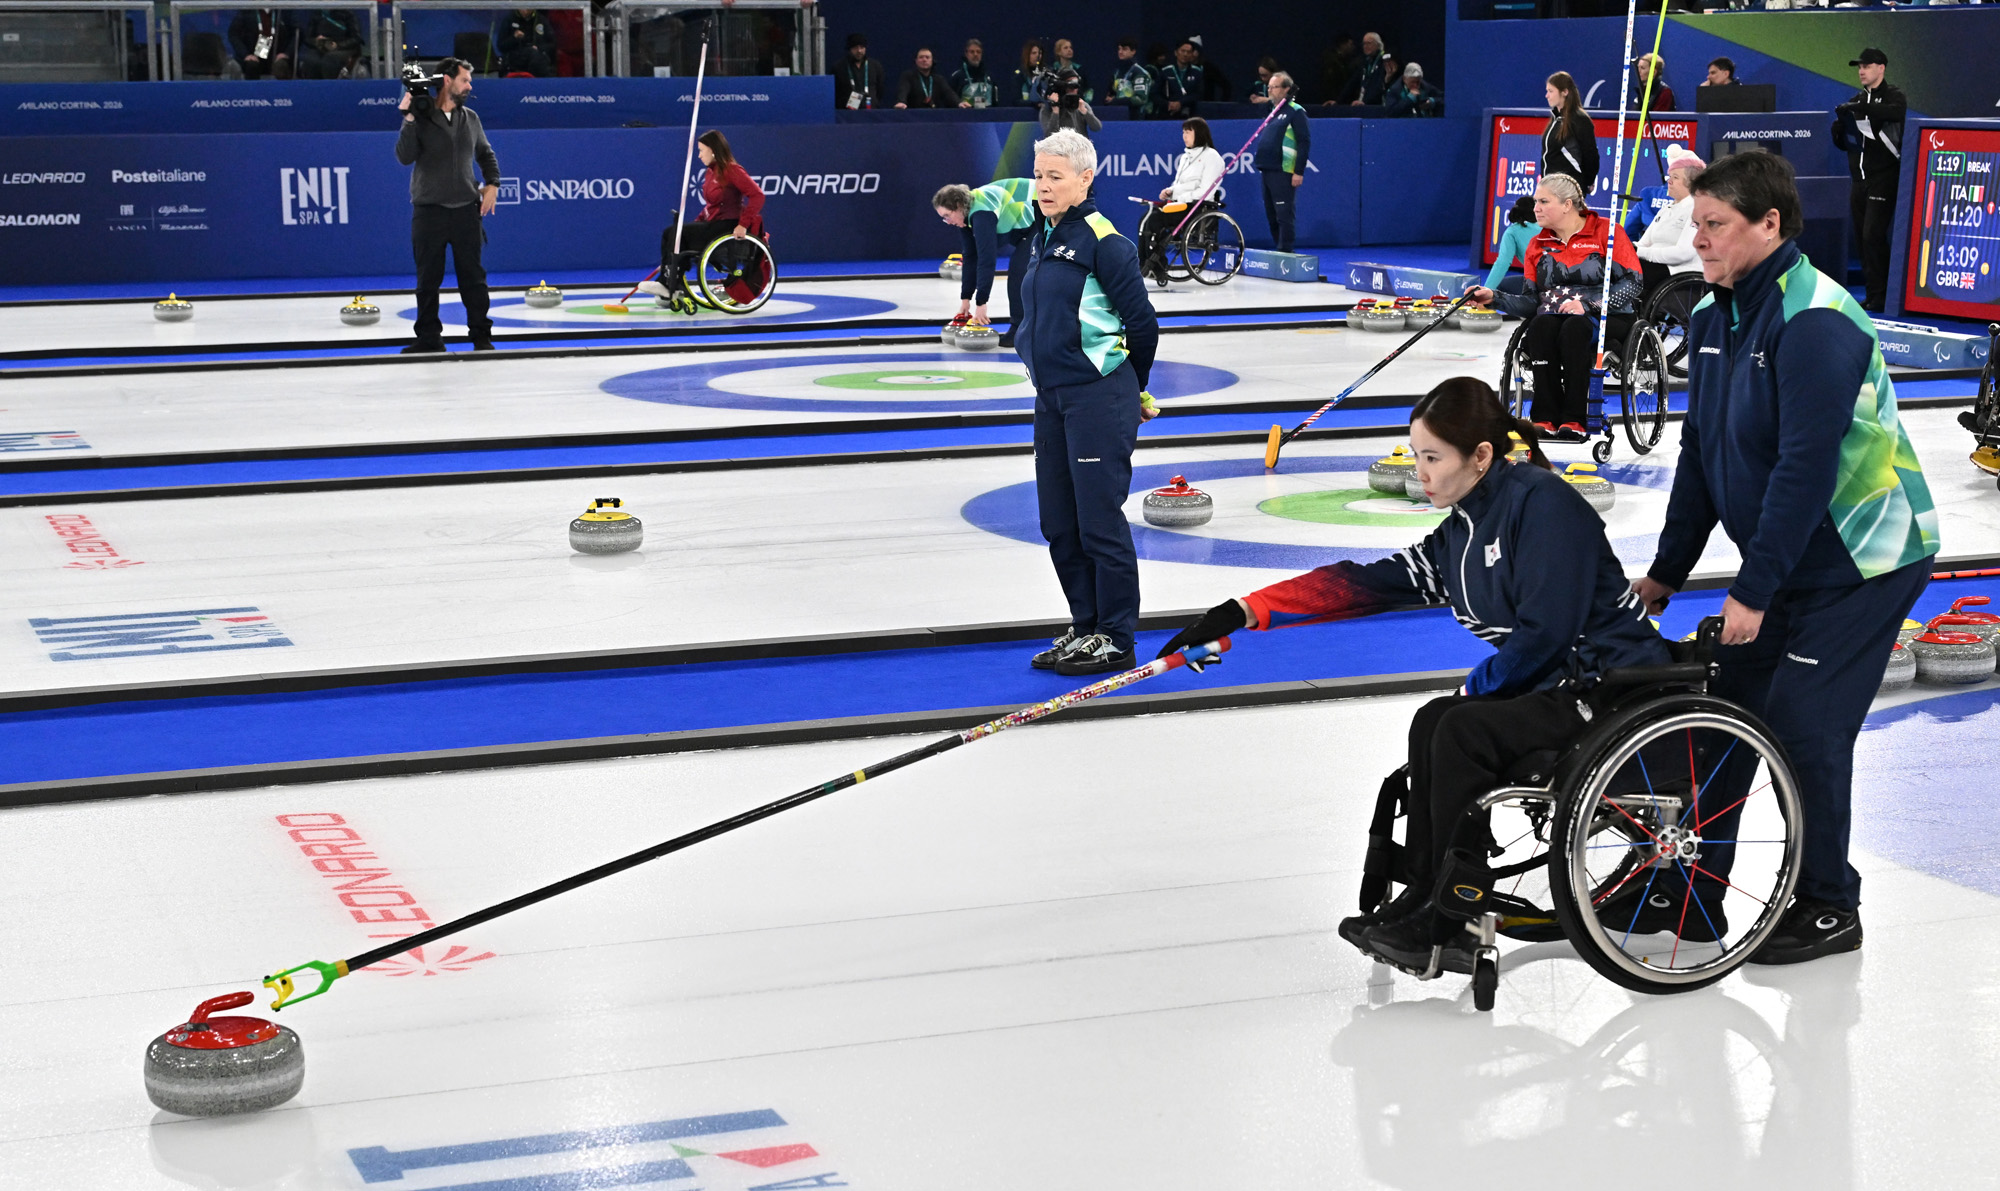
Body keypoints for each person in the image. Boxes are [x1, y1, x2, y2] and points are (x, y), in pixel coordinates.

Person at [1157, 378, 1671, 975]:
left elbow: (1547, 635)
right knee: (1435, 720)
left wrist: (1471, 689)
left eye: (1433, 458)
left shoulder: (1542, 504)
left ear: (1480, 456)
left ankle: (1446, 913)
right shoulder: (1461, 529)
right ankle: (1431, 897)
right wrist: (1243, 611)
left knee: (1459, 727)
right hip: (1559, 687)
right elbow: (1366, 583)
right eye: (1416, 455)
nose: (1419, 472)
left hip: (1615, 687)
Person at [1631, 150, 1938, 965]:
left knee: (1803, 724)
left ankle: (1830, 904)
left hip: (1861, 560)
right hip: (1790, 556)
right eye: (1695, 224)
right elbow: (1699, 455)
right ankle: (1691, 892)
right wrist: (1667, 570)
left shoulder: (1817, 321)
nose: (1698, 241)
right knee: (1722, 716)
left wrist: (1754, 589)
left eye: (1716, 225)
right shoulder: (1709, 318)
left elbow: (1805, 469)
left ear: (1771, 223)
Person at [1018, 129, 1161, 677]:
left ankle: (1116, 638)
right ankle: (1086, 626)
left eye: (1055, 176)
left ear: (1085, 178)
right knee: (1059, 521)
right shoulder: (1043, 235)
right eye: (1039, 175)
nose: (1044, 186)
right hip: (1051, 398)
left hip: (1099, 395)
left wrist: (1132, 387)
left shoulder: (1106, 241)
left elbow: (1142, 325)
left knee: (1099, 520)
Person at [1466, 173, 1642, 441]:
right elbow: (1531, 302)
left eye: (1543, 201)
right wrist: (1495, 297)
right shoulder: (1538, 245)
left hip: (1607, 316)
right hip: (1554, 317)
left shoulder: (1606, 232)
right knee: (1540, 325)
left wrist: (1589, 304)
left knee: (1574, 328)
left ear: (1567, 204)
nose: (1535, 208)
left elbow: (1634, 283)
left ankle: (1574, 416)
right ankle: (1545, 416)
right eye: (1536, 201)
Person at [395, 58, 499, 354]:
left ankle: (481, 336)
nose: (469, 85)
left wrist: (492, 183)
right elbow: (404, 156)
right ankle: (429, 337)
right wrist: (410, 118)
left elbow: (486, 154)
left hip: (466, 210)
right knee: (427, 278)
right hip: (429, 211)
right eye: (465, 80)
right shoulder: (422, 118)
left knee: (474, 278)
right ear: (447, 81)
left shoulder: (471, 118)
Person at [641, 131, 767, 306]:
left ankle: (667, 283)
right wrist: (698, 221)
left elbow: (757, 196)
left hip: (727, 226)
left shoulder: (732, 170)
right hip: (713, 223)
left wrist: (743, 224)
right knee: (672, 234)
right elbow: (711, 206)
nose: (699, 155)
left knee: (676, 233)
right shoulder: (710, 173)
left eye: (701, 150)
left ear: (714, 150)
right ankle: (671, 282)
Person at [1832, 47, 1904, 312]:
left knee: (1873, 235)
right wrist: (1838, 131)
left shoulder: (1893, 96)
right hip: (1858, 180)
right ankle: (1874, 295)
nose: (1861, 71)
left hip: (1884, 178)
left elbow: (1895, 113)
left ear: (1881, 68)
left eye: (1867, 66)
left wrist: (1862, 108)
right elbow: (1848, 144)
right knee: (1863, 239)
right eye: (1859, 67)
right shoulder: (1856, 100)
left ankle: (1885, 295)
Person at [933, 178, 1038, 344]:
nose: (947, 222)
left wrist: (981, 303)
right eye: (943, 218)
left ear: (958, 206)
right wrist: (965, 300)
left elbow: (986, 260)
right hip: (1024, 226)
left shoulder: (981, 213)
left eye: (947, 215)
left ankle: (1019, 331)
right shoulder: (966, 216)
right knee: (1020, 266)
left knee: (1019, 271)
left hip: (1045, 212)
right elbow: (970, 257)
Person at [1137, 117, 1226, 284]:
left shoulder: (1212, 157)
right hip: (1179, 204)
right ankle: (1146, 263)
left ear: (1199, 133)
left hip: (1196, 207)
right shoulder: (1186, 157)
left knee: (1154, 220)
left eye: (1188, 132)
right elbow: (1180, 184)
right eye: (1183, 132)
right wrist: (1170, 192)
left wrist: (1180, 198)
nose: (1184, 136)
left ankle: (1156, 266)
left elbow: (1205, 192)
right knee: (1146, 219)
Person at [1251, 72, 1309, 254]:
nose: (1270, 91)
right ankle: (1279, 248)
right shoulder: (1273, 111)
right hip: (1267, 168)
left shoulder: (1295, 111)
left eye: (1274, 87)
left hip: (1284, 169)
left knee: (1284, 214)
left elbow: (1304, 141)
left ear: (1286, 89)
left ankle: (1286, 251)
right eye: (1268, 87)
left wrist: (1298, 171)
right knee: (1271, 214)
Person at [1635, 151, 1705, 289]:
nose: (1669, 181)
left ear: (1691, 183)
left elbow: (1683, 253)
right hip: (1657, 266)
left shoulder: (1697, 209)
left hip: (1679, 272)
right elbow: (1643, 244)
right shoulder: (1666, 209)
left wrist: (1640, 253)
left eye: (1675, 177)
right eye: (1670, 176)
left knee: (1628, 273)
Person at [1541, 71, 1598, 194]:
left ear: (1565, 92)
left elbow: (1591, 155)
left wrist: (1587, 181)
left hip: (1569, 190)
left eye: (1551, 91)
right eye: (1547, 91)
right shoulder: (1555, 119)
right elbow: (1547, 156)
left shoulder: (1580, 120)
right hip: (1550, 188)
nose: (1547, 95)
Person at [1483, 194, 1540, 294]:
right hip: (1565, 282)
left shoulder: (1512, 232)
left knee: (1499, 287)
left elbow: (1502, 263)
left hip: (1539, 284)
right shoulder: (1550, 226)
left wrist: (1485, 290)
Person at [227, 8, 294, 79]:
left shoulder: (283, 12)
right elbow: (233, 34)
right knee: (251, 65)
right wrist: (246, 54)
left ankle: (282, 89)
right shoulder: (246, 12)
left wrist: (286, 53)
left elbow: (296, 34)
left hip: (276, 55)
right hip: (253, 55)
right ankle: (252, 89)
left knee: (281, 65)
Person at [296, 8, 363, 78]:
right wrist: (316, 41)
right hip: (321, 47)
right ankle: (314, 87)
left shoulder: (348, 14)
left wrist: (338, 45)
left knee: (330, 59)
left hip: (343, 48)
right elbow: (308, 38)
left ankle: (330, 86)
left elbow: (356, 38)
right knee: (311, 59)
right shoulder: (317, 13)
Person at [895, 47, 963, 110]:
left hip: (934, 117)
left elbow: (948, 93)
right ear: (916, 61)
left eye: (927, 57)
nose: (924, 60)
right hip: (914, 115)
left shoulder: (939, 79)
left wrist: (959, 103)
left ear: (932, 61)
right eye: (921, 57)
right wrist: (901, 102)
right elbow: (903, 90)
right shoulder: (908, 76)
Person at [1038, 68, 1100, 136]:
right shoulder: (1047, 108)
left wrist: (1085, 112)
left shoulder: (1082, 105)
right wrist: (1055, 112)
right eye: (1070, 85)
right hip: (1058, 145)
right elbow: (1049, 135)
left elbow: (1096, 127)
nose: (1074, 89)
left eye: (1076, 85)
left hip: (1079, 145)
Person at [499, 8, 555, 78]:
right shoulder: (509, 19)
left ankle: (547, 85)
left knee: (537, 57)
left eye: (528, 7)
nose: (525, 10)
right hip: (515, 58)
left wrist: (539, 48)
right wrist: (514, 38)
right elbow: (501, 46)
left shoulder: (541, 19)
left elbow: (552, 44)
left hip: (537, 59)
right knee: (532, 54)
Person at [1108, 36, 1155, 119]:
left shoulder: (1140, 73)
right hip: (1119, 117)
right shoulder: (1117, 72)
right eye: (1119, 49)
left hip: (1137, 119)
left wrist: (1115, 101)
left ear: (1133, 51)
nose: (1120, 52)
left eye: (1124, 49)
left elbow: (1140, 99)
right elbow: (1112, 93)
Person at [833, 33, 883, 110]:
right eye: (855, 48)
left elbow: (880, 90)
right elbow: (836, 92)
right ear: (850, 49)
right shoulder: (839, 67)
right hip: (847, 114)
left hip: (871, 112)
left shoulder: (875, 66)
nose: (859, 51)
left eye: (862, 47)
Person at [949, 38, 995, 109]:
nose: (975, 54)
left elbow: (995, 102)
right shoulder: (957, 77)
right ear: (966, 54)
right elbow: (951, 101)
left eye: (978, 52)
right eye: (972, 52)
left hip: (987, 117)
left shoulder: (988, 76)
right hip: (965, 117)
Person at [1160, 39, 1200, 117]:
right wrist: (1168, 104)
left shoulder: (1197, 72)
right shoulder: (1166, 71)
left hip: (1189, 114)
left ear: (1192, 54)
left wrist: (1181, 103)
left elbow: (1198, 94)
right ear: (1176, 52)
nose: (1185, 54)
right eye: (1183, 51)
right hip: (1168, 113)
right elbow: (1155, 94)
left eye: (1188, 52)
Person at [1321, 33, 1362, 107]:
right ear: (1343, 45)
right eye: (1350, 44)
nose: (1353, 47)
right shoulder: (1332, 62)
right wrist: (1336, 100)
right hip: (1333, 102)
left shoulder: (1347, 61)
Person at [1348, 31, 1386, 106]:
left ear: (1378, 45)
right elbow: (1351, 84)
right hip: (1363, 104)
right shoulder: (1365, 62)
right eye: (1364, 44)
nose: (1365, 46)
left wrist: (1366, 102)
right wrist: (1337, 101)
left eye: (1369, 43)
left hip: (1376, 106)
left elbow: (1379, 87)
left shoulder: (1384, 62)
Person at [1050, 38, 1090, 102]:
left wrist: (1085, 101)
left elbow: (1088, 89)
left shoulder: (1079, 70)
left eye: (1070, 48)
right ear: (1058, 52)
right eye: (1065, 48)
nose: (1069, 50)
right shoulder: (1053, 71)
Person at [1011, 40, 1048, 107]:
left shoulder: (1047, 73)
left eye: (1040, 53)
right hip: (1025, 113)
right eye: (1034, 53)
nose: (1038, 56)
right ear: (1027, 55)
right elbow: (1016, 101)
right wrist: (1034, 104)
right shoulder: (1020, 75)